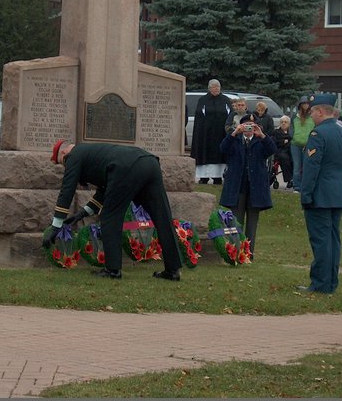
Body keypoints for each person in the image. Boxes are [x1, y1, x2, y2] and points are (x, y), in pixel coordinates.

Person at [44, 140, 184, 281]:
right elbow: (104, 191)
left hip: (126, 168)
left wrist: (55, 226)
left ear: (63, 152)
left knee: (110, 216)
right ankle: (173, 270)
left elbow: (66, 191)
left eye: (62, 162)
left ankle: (112, 270)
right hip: (149, 162)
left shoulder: (73, 155)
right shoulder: (93, 153)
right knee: (162, 217)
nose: (65, 166)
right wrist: (82, 213)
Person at [299, 94, 342, 293]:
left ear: (321, 111)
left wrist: (305, 195)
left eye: (313, 111)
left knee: (321, 240)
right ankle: (331, 281)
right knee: (333, 239)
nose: (311, 115)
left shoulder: (318, 135)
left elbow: (311, 169)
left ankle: (321, 282)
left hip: (320, 195)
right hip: (337, 194)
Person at [219, 114, 277, 257]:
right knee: (236, 222)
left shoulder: (261, 140)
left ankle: (248, 252)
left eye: (252, 126)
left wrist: (262, 135)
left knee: (252, 223)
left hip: (255, 188)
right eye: (246, 126)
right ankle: (235, 250)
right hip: (237, 187)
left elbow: (272, 149)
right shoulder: (235, 140)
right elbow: (223, 149)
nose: (248, 129)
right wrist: (234, 133)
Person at [190, 79, 231, 184]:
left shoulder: (226, 100)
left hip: (221, 134)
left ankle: (218, 177)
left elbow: (230, 115)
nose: (216, 88)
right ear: (209, 88)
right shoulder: (203, 100)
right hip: (206, 135)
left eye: (218, 86)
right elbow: (199, 116)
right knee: (205, 154)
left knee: (220, 154)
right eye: (214, 86)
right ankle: (204, 177)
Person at [290, 95, 315, 193]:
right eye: (304, 103)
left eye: (307, 103)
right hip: (295, 144)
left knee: (306, 166)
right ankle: (296, 187)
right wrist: (293, 137)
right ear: (300, 105)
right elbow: (291, 129)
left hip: (308, 145)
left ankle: (305, 186)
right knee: (296, 166)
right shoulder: (295, 117)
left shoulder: (312, 117)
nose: (305, 105)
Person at [271, 115, 294, 189]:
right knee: (283, 157)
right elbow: (275, 142)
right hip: (280, 151)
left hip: (290, 151)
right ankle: (289, 179)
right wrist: (284, 141)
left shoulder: (291, 132)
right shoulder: (276, 132)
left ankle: (294, 178)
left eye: (285, 122)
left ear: (289, 124)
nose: (283, 123)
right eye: (282, 122)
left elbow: (292, 141)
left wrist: (285, 141)